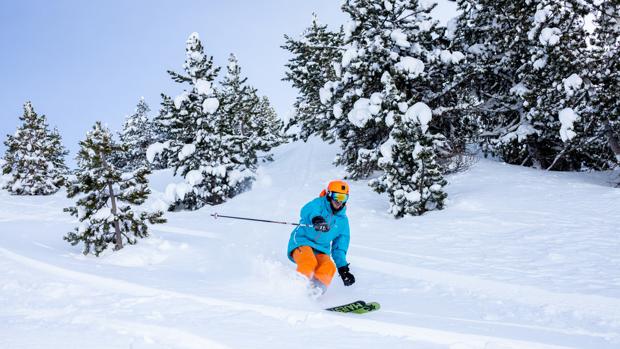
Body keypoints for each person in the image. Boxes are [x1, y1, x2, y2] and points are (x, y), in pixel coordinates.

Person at [287, 180, 356, 294]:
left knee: (329, 267)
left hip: (321, 250)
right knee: (309, 261)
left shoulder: (343, 221)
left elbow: (339, 247)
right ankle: (295, 291)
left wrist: (343, 269)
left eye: (343, 198)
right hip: (302, 241)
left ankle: (314, 293)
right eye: (337, 196)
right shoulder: (319, 203)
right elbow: (307, 209)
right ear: (329, 195)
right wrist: (316, 219)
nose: (339, 201)